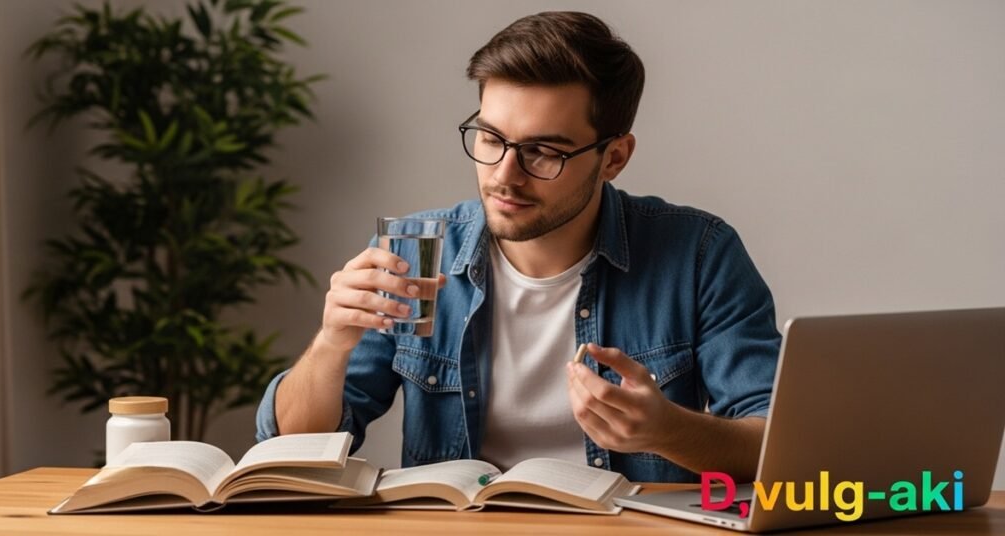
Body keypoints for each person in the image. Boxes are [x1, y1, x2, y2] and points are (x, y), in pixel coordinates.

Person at [256, 11, 780, 483]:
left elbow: (779, 446)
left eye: (543, 151)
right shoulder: (416, 252)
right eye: (490, 138)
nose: (505, 175)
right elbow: (291, 456)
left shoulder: (698, 256)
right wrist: (330, 344)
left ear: (614, 157)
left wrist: (668, 431)